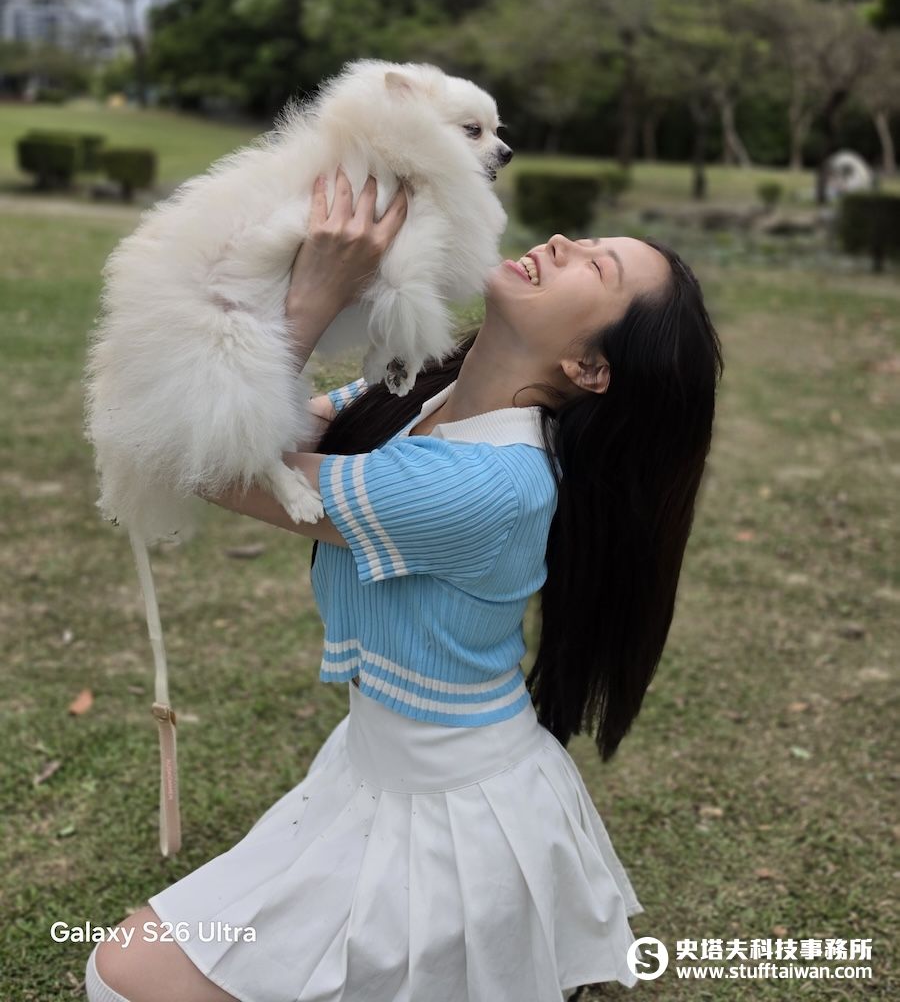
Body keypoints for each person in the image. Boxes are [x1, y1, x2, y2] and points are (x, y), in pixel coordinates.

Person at [86, 168, 724, 1002]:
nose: (564, 243)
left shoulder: (486, 486)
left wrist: (315, 294)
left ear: (589, 366)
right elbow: (230, 428)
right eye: (588, 242)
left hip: (449, 818)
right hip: (378, 769)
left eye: (596, 268)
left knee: (120, 979)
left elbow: (207, 462)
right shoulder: (426, 386)